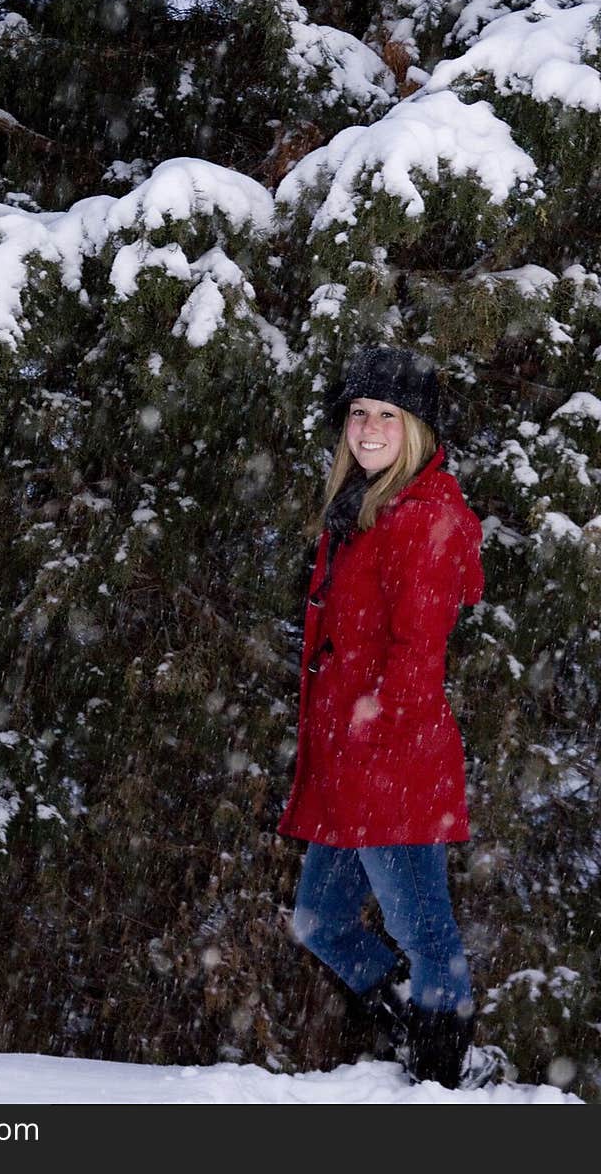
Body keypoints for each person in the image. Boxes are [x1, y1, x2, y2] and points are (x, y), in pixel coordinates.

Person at [277, 344, 494, 1089]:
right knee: (318, 923)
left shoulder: (421, 521)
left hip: (392, 765)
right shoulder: (366, 509)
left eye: (387, 417)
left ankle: (446, 1077)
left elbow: (417, 653)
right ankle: (420, 1024)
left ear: (418, 432)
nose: (368, 429)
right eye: (359, 414)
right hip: (350, 763)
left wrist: (374, 722)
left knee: (427, 933)